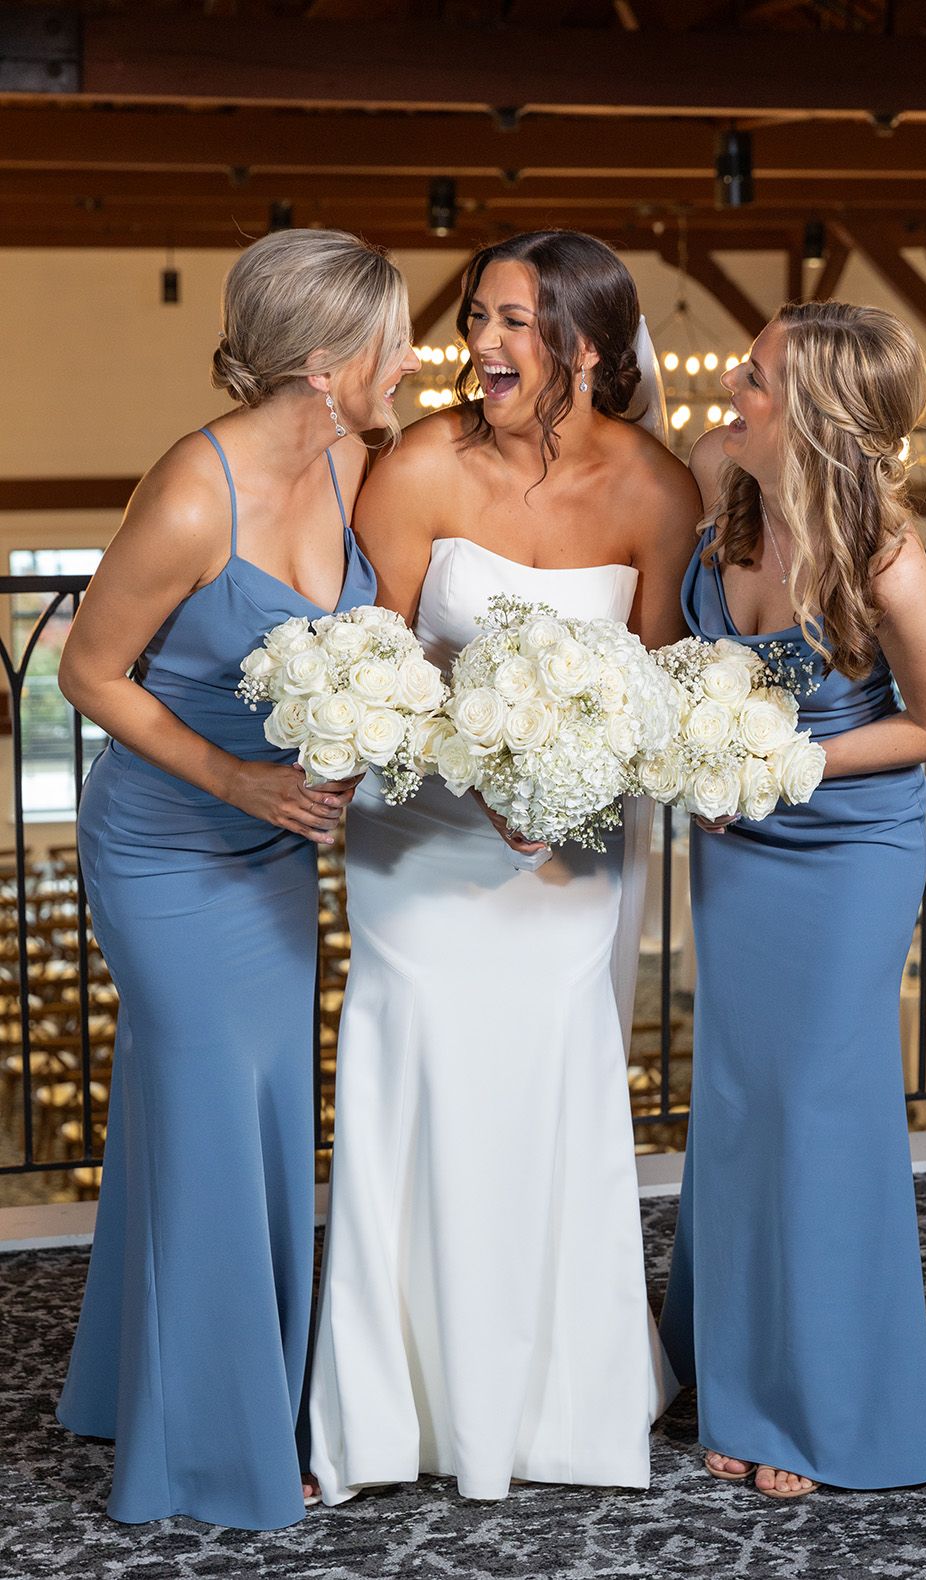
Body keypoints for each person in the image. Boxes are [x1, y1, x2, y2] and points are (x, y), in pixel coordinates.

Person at [309, 230, 700, 1503]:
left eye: (512, 321)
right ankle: (389, 1410)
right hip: (423, 837)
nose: (479, 341)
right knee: (416, 1069)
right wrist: (480, 772)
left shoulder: (657, 489)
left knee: (547, 1084)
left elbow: (658, 688)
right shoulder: (419, 464)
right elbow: (375, 663)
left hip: (571, 858)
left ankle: (561, 1402)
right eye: (477, 315)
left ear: (584, 344)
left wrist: (573, 782)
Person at [56, 228, 417, 1529]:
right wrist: (238, 779)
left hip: (274, 851)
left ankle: (145, 1383)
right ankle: (213, 1452)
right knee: (213, 1114)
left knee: (241, 1117)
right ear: (326, 362)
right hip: (168, 844)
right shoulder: (192, 495)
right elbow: (87, 672)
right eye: (393, 339)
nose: (410, 359)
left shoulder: (353, 455)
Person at [659, 300, 926, 1498]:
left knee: (818, 1104)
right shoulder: (718, 475)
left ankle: (820, 1398)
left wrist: (777, 763)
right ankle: (731, 1368)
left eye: (754, 377)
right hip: (738, 844)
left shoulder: (884, 553)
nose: (731, 391)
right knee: (742, 1099)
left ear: (816, 413)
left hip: (846, 847)